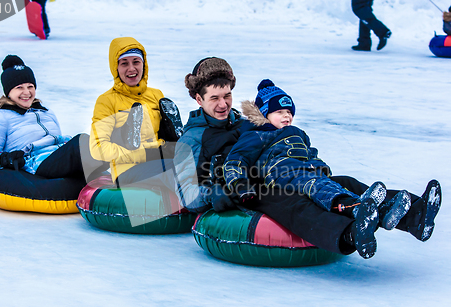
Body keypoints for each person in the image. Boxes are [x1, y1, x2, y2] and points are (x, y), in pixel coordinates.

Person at [174, 56, 442, 259]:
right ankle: (349, 233)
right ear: (198, 98)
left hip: (276, 175)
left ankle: (413, 215)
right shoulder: (192, 139)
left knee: (343, 181)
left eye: (227, 95)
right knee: (286, 200)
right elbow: (188, 195)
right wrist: (218, 193)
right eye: (214, 98)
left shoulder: (246, 123)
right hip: (242, 193)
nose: (223, 104)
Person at [222, 79, 420, 259]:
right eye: (280, 112)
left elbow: (311, 154)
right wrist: (240, 184)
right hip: (283, 177)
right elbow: (236, 160)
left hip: (308, 172)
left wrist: (321, 167)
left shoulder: (298, 134)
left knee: (346, 182)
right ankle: (354, 208)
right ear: (264, 113)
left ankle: (409, 212)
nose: (286, 116)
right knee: (315, 186)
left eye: (289, 112)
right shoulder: (257, 135)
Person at [0, 55, 106, 181]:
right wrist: (6, 159)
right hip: (36, 163)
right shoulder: (1, 117)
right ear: (8, 92)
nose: (27, 92)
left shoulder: (47, 112)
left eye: (30, 86)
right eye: (19, 88)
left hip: (57, 158)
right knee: (81, 142)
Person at [89, 37, 183, 187]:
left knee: (193, 162)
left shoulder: (156, 95)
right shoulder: (107, 101)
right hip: (127, 170)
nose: (131, 68)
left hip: (160, 159)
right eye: (124, 63)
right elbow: (98, 148)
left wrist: (171, 144)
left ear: (143, 65)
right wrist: (144, 154)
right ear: (116, 68)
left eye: (136, 62)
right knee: (179, 171)